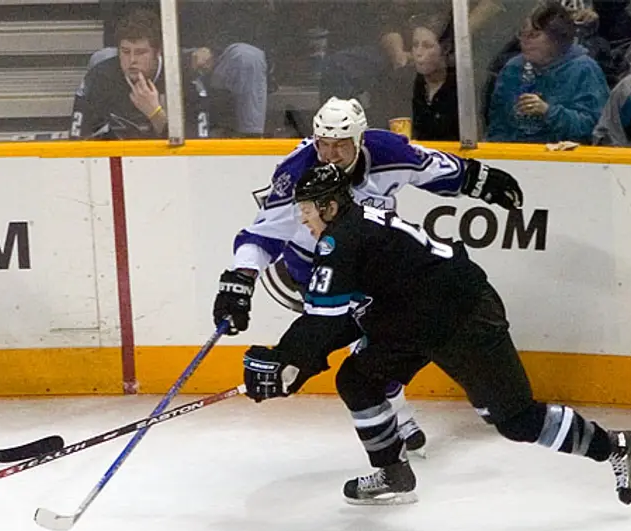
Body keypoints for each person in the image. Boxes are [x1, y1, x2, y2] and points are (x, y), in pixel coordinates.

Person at [242, 164, 631, 507]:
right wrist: (292, 362)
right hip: (412, 317)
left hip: (463, 316)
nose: (303, 221)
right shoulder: (353, 227)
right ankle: (392, 472)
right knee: (357, 377)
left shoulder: (341, 241)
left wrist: (287, 360)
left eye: (308, 212)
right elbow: (347, 318)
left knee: (516, 419)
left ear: (329, 206)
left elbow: (326, 322)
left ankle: (617, 446)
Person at [213, 96, 524, 453]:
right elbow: (262, 233)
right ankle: (397, 418)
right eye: (323, 144)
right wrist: (241, 280)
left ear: (360, 140)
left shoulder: (387, 151)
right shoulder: (297, 172)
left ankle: (398, 413)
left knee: (379, 343)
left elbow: (435, 169)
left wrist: (480, 180)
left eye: (340, 146)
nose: (329, 155)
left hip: (371, 270)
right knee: (363, 345)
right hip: (315, 270)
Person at [70, 7, 267, 139]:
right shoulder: (100, 74)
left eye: (140, 53)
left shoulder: (188, 81)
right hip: (123, 163)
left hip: (205, 55)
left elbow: (193, 153)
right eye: (126, 52)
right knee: (101, 57)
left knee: (248, 58)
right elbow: (77, 141)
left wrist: (155, 113)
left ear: (157, 53)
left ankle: (252, 143)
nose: (132, 61)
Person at [486, 1, 609, 143]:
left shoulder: (584, 70)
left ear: (556, 38)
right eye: (522, 34)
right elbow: (497, 123)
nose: (524, 41)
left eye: (534, 35)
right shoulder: (513, 69)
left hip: (567, 158)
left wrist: (548, 112)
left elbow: (594, 127)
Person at [410, 16, 459, 140]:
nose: (418, 53)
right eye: (415, 45)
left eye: (427, 46)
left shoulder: (461, 87)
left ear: (445, 49)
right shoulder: (407, 84)